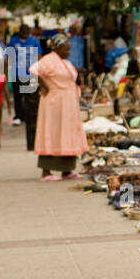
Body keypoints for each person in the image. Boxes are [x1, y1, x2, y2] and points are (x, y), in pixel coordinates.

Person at [29, 33, 88, 181]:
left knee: (67, 135)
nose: (68, 52)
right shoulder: (49, 60)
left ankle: (67, 170)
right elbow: (34, 71)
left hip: (68, 104)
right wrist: (45, 87)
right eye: (66, 49)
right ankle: (46, 171)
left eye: (69, 49)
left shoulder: (65, 62)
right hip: (55, 104)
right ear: (57, 48)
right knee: (51, 132)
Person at [7, 23, 42, 126]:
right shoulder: (13, 42)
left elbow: (39, 55)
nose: (26, 34)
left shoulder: (34, 41)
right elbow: (9, 56)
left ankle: (29, 115)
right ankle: (18, 116)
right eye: (24, 33)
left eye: (27, 33)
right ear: (20, 32)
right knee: (17, 96)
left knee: (30, 95)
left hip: (31, 73)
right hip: (17, 73)